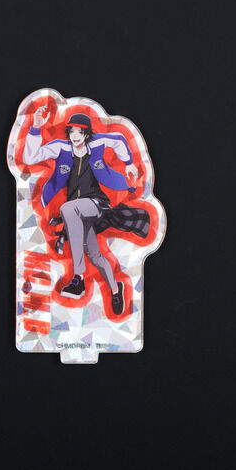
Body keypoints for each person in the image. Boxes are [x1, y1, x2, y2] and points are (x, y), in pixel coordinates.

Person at [23, 106, 150, 315]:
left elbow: (118, 140)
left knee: (67, 208)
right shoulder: (61, 148)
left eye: (79, 132)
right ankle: (116, 289)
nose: (75, 136)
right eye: (72, 131)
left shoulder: (97, 144)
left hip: (96, 204)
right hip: (76, 214)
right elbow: (30, 158)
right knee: (95, 255)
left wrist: (128, 163)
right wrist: (35, 129)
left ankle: (78, 277)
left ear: (87, 134)